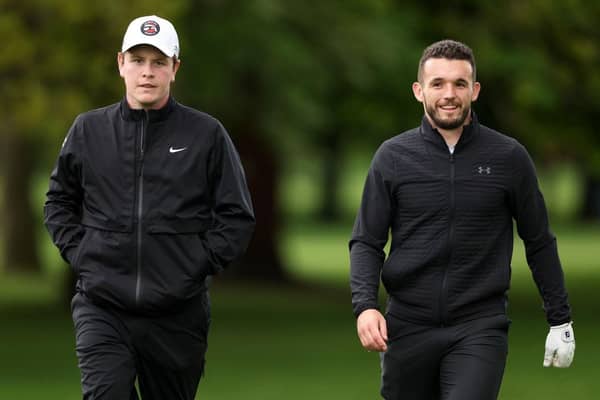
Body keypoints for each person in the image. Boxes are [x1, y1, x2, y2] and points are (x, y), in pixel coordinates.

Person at [349, 39, 575, 400]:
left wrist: (560, 319)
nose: (449, 94)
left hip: (480, 326)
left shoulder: (508, 157)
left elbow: (539, 241)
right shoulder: (392, 157)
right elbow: (367, 240)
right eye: (437, 83)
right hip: (407, 327)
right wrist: (365, 307)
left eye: (459, 83)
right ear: (419, 91)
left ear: (475, 90)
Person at [44, 15, 255, 400]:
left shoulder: (206, 134)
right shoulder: (88, 130)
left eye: (159, 62)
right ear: (120, 63)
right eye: (138, 60)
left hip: (178, 313)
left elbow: (236, 216)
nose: (147, 72)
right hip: (102, 305)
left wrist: (195, 264)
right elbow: (59, 201)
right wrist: (82, 254)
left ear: (174, 68)